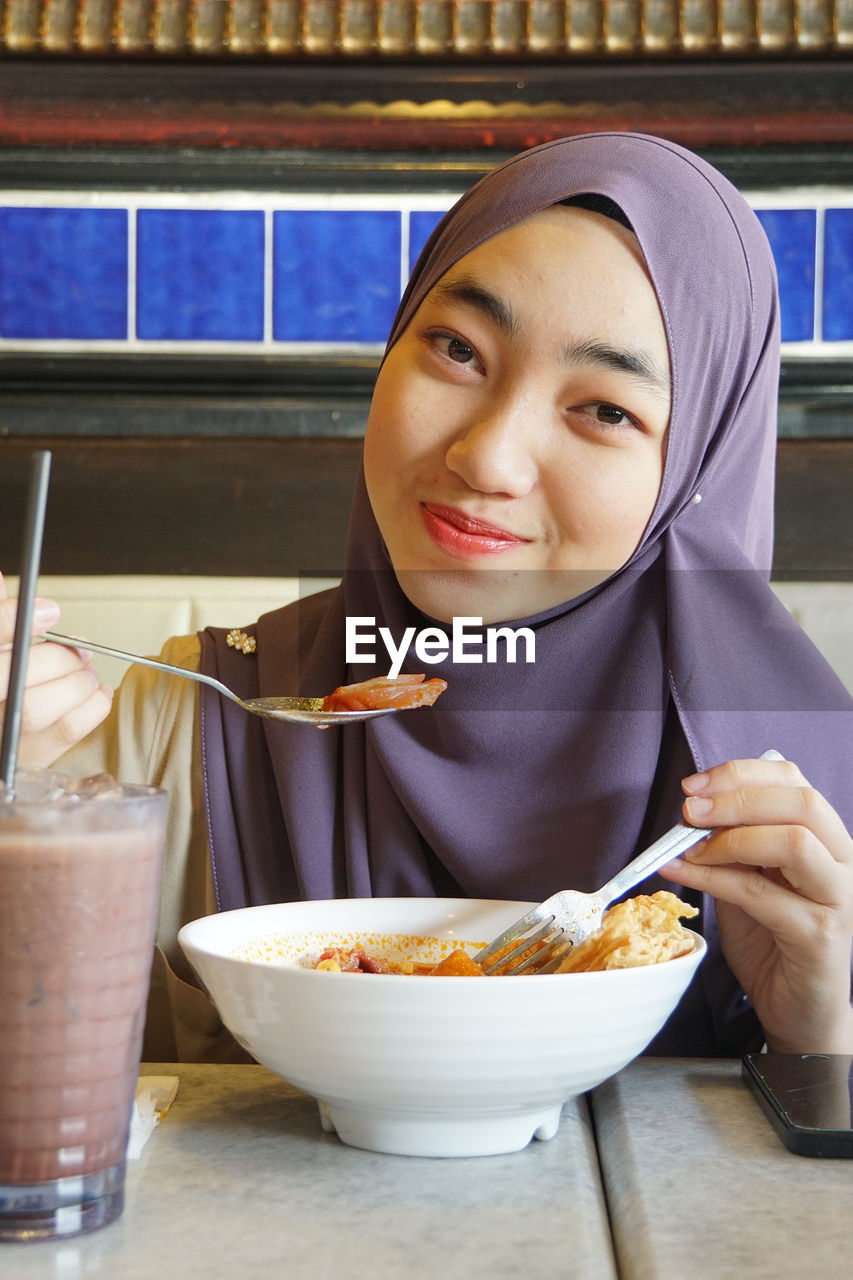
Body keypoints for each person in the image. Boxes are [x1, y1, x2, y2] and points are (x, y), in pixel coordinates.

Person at [2, 132, 852, 1064]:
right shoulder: (170, 732)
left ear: (695, 468)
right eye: (455, 349)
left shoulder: (806, 815)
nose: (486, 456)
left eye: (605, 410)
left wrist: (821, 1040)